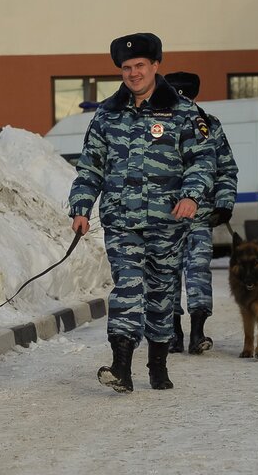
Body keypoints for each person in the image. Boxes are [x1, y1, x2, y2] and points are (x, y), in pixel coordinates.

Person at [68, 33, 216, 393]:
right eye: (126, 68)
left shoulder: (184, 112)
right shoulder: (107, 113)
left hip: (168, 222)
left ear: (155, 66)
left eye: (140, 66)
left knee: (162, 294)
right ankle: (121, 367)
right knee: (128, 289)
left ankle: (158, 363)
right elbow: (90, 166)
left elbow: (203, 160)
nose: (133, 73)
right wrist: (82, 207)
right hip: (121, 221)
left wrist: (192, 197)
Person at [164, 72, 239, 355]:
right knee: (165, 273)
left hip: (200, 215)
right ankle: (172, 333)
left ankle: (197, 332)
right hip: (164, 216)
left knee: (197, 272)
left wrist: (224, 204)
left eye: (185, 94)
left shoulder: (209, 125)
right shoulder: (157, 122)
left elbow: (226, 170)